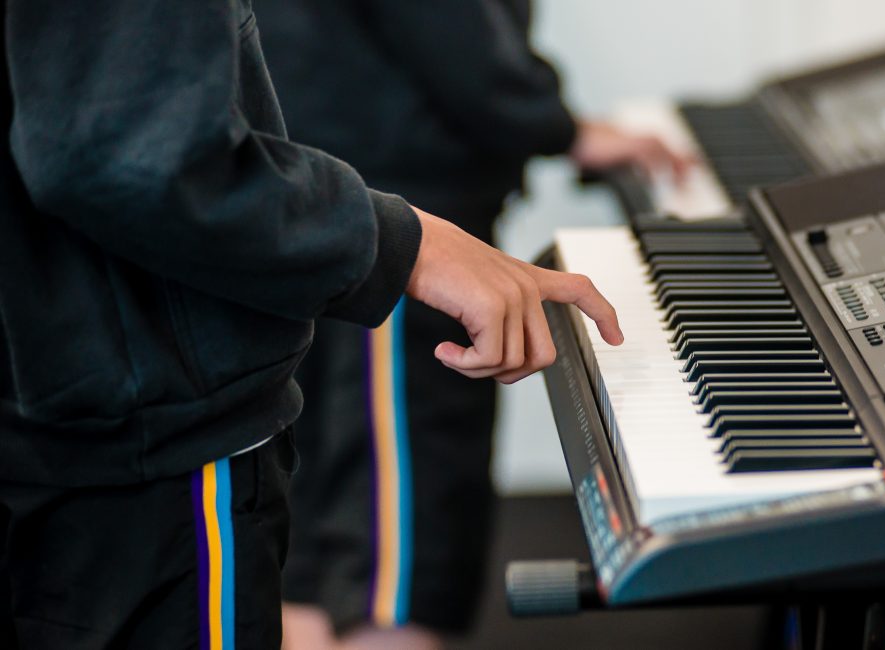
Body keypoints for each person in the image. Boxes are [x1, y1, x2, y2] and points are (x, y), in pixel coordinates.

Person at [0, 2, 623, 648]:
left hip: (256, 250)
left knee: (323, 554)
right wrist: (409, 243)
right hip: (172, 383)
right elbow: (129, 151)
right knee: (391, 572)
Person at [250, 2, 687, 647]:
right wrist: (555, 124)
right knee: (394, 552)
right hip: (394, 205)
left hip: (329, 184)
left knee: (321, 526)